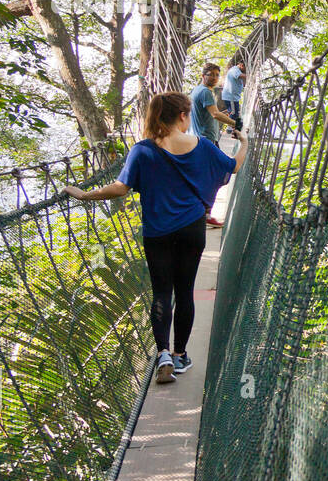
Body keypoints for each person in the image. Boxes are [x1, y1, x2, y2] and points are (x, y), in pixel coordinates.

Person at [62, 92, 247, 385]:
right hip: (192, 230)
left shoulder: (142, 150)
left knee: (162, 292)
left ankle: (162, 353)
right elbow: (233, 167)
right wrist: (245, 143)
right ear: (184, 116)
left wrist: (86, 194)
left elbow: (121, 188)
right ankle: (181, 355)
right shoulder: (203, 147)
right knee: (185, 291)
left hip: (157, 232)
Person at [190, 64, 237, 226]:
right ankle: (205, 214)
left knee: (210, 176)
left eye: (217, 75)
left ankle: (201, 212)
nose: (215, 78)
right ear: (203, 75)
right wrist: (235, 123)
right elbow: (215, 114)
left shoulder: (198, 91)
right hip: (206, 142)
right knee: (221, 174)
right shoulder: (205, 92)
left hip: (202, 141)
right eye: (211, 74)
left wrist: (225, 116)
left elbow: (211, 114)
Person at [222, 58, 246, 131]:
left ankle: (232, 127)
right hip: (230, 97)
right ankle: (229, 128)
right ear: (241, 65)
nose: (245, 71)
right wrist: (251, 76)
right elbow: (239, 76)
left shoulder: (237, 70)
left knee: (234, 112)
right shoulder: (234, 70)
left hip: (233, 97)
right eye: (245, 68)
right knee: (233, 112)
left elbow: (240, 82)